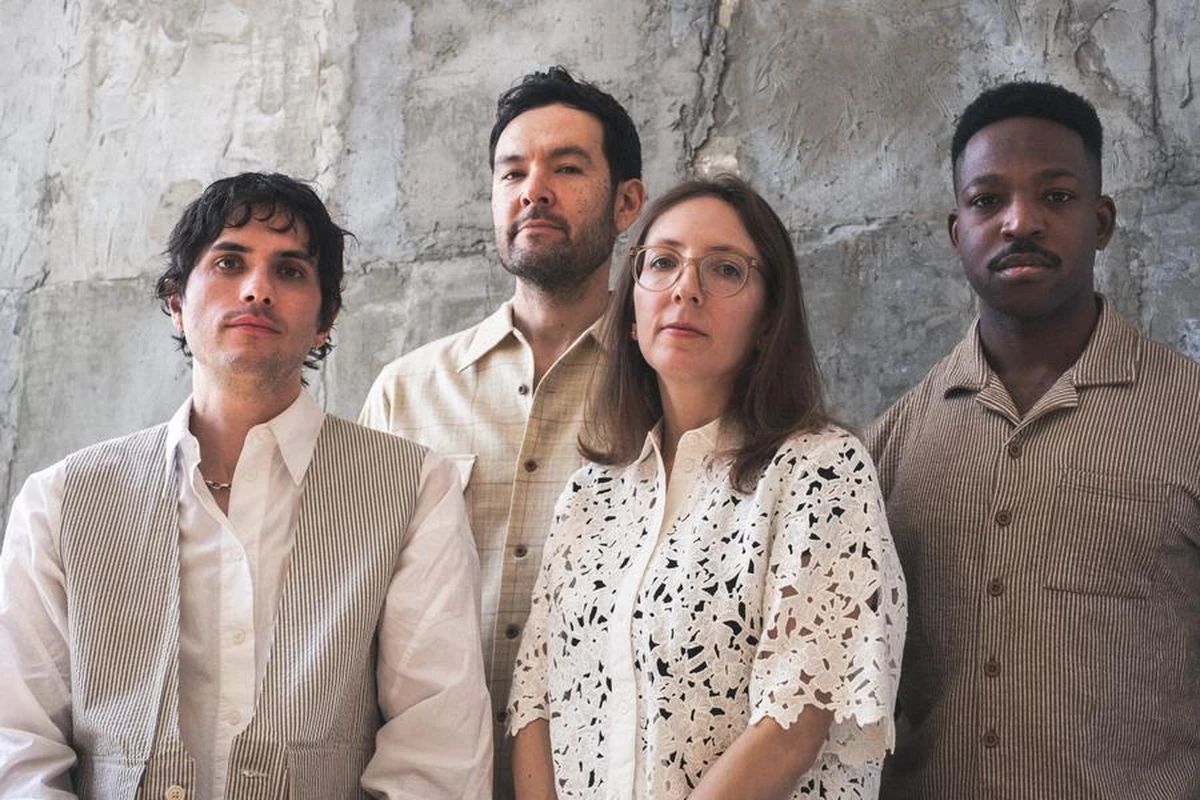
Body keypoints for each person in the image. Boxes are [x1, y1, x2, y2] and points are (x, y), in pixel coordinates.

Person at [0, 172, 492, 799]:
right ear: (177, 304)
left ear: (325, 320)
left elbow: (437, 752)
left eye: (290, 271)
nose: (257, 289)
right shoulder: (62, 500)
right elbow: (18, 744)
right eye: (229, 263)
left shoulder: (415, 489)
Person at [508, 175, 907, 799]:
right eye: (662, 262)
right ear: (631, 313)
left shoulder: (821, 470)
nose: (685, 289)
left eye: (724, 269)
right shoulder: (588, 496)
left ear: (769, 319)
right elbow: (534, 703)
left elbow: (792, 725)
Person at [868, 82, 1200, 798]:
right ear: (956, 231)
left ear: (1101, 221)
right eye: (987, 200)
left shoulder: (1190, 417)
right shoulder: (889, 447)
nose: (1020, 221)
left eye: (1056, 196)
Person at [359, 66, 646, 796]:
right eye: (512, 172)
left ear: (627, 203)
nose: (533, 190)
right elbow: (349, 609)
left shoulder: (669, 388)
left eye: (567, 168)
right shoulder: (407, 393)